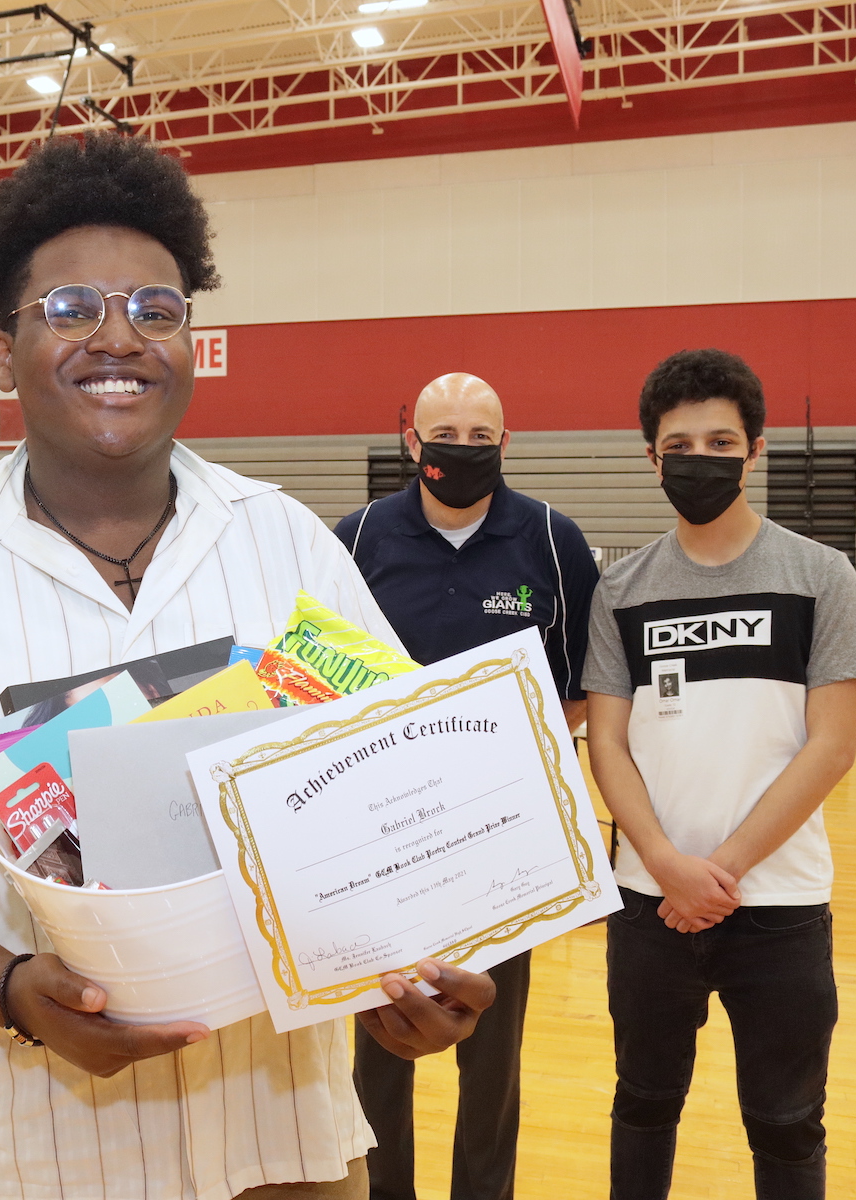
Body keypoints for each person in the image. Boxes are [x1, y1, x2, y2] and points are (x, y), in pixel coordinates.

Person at [0, 133, 497, 1200]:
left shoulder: (289, 545)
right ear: (1, 344)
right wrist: (12, 988)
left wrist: (415, 975)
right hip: (33, 1155)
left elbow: (393, 803)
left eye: (157, 310)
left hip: (287, 1146)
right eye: (71, 311)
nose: (120, 340)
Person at [582, 349, 856, 1199]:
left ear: (755, 451)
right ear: (651, 457)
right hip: (650, 908)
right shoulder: (623, 590)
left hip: (782, 910)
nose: (700, 458)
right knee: (643, 1105)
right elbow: (607, 743)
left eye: (721, 441)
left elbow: (831, 746)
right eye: (679, 443)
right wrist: (668, 868)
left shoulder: (821, 576)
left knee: (788, 1125)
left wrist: (720, 873)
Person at [335, 374, 598, 1200]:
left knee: (494, 1045)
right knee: (383, 1032)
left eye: (480, 437)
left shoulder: (552, 540)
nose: (462, 448)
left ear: (505, 444)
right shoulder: (357, 538)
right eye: (444, 433)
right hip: (380, 832)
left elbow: (586, 683)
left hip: (502, 834)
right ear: (412, 442)